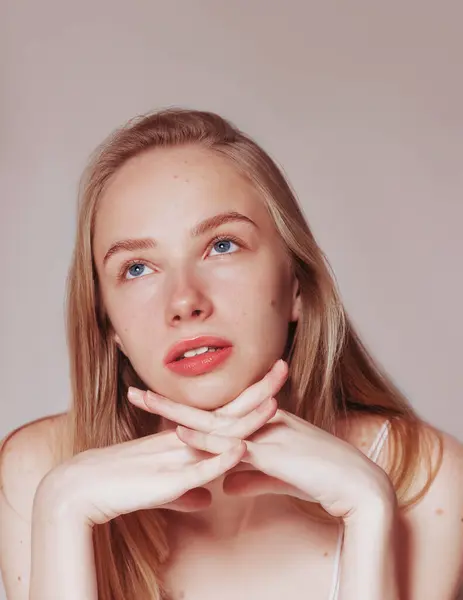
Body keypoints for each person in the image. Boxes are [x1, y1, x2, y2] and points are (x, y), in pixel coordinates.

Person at [0, 108, 462, 600]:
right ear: (108, 322)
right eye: (137, 268)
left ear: (296, 286)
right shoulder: (41, 471)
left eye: (221, 245)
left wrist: (369, 510)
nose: (184, 301)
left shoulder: (427, 479)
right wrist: (62, 510)